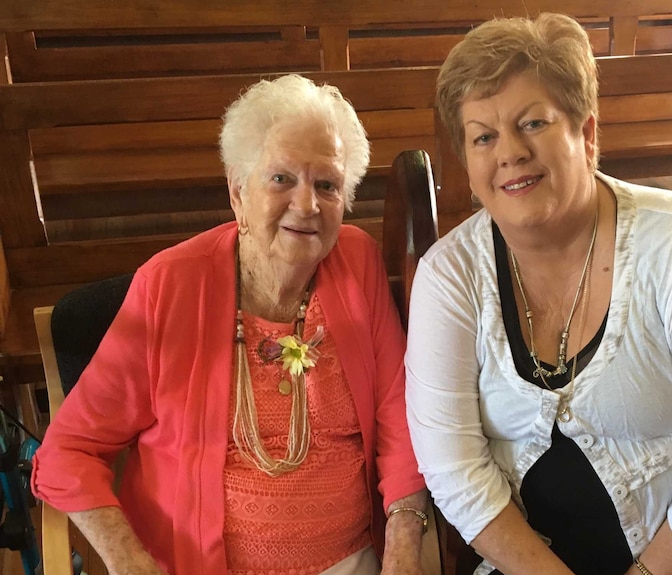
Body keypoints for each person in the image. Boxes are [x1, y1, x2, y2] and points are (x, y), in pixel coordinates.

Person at [405, 13, 672, 575]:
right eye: (483, 136)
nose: (509, 152)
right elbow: (453, 467)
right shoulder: (448, 276)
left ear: (587, 132)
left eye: (532, 123)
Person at [32, 74, 429, 575]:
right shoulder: (168, 286)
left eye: (326, 184)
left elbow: (398, 417)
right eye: (282, 178)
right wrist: (129, 561)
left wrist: (404, 540)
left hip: (350, 561)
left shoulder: (358, 262)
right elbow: (69, 451)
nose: (306, 205)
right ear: (238, 192)